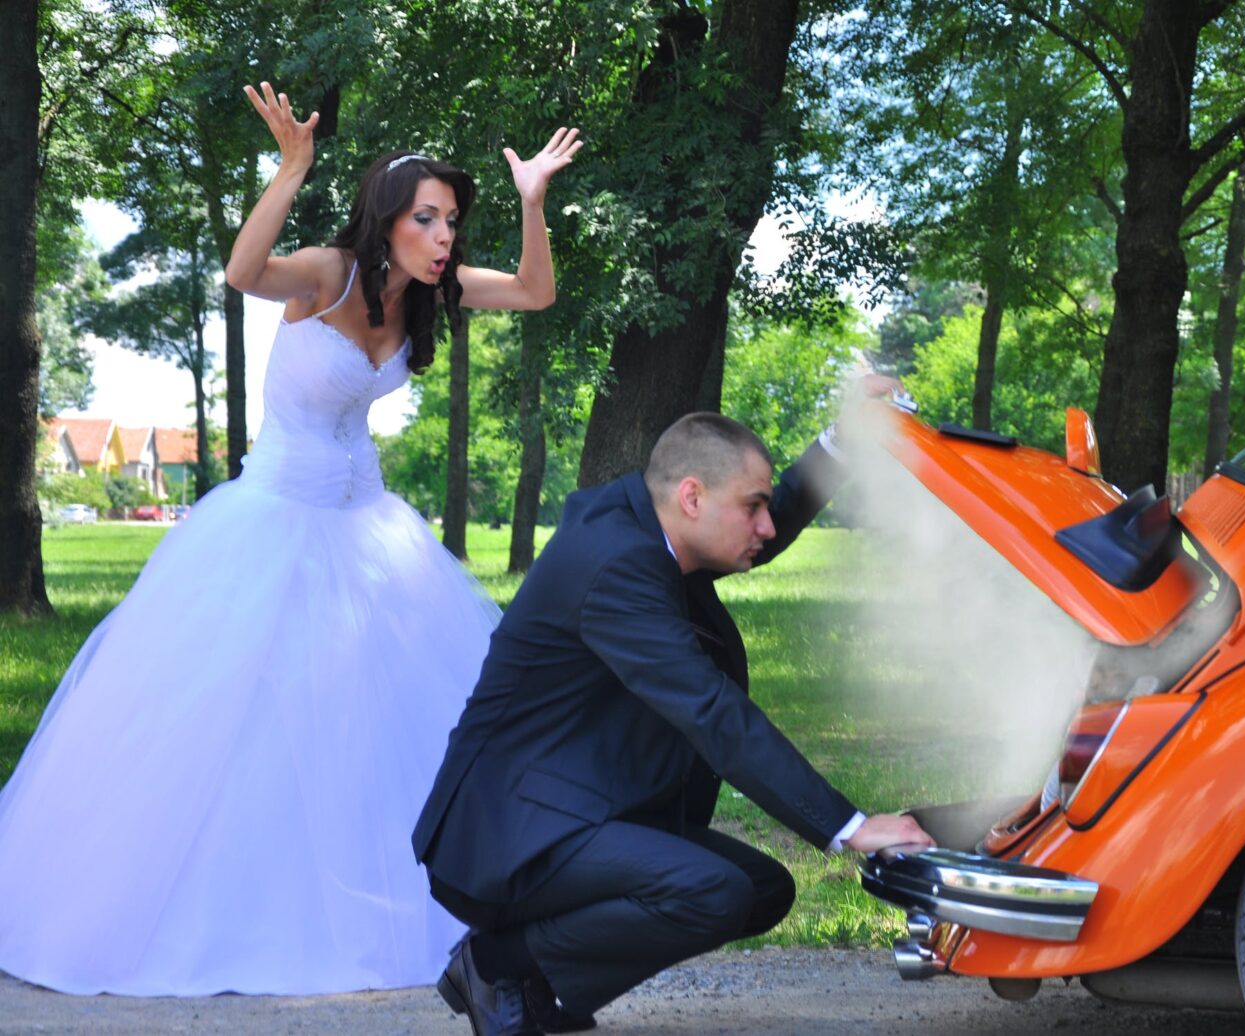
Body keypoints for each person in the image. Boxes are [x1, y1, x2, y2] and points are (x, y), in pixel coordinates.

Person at [0, 82, 582, 996]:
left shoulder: (433, 292)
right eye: (427, 218)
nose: (443, 236)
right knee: (241, 719)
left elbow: (538, 291)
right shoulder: (327, 272)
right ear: (387, 219)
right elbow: (243, 273)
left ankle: (408, 893)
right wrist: (291, 169)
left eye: (451, 221)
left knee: (379, 725)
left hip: (371, 533)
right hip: (271, 519)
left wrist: (533, 200)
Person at [413, 402, 936, 1036]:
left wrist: (841, 443)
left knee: (762, 888)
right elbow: (710, 711)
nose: (766, 525)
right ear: (692, 497)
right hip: (506, 832)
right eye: (753, 506)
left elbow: (759, 529)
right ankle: (495, 964)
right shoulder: (616, 563)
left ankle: (536, 978)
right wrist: (850, 827)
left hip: (575, 805)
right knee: (713, 891)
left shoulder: (651, 529)